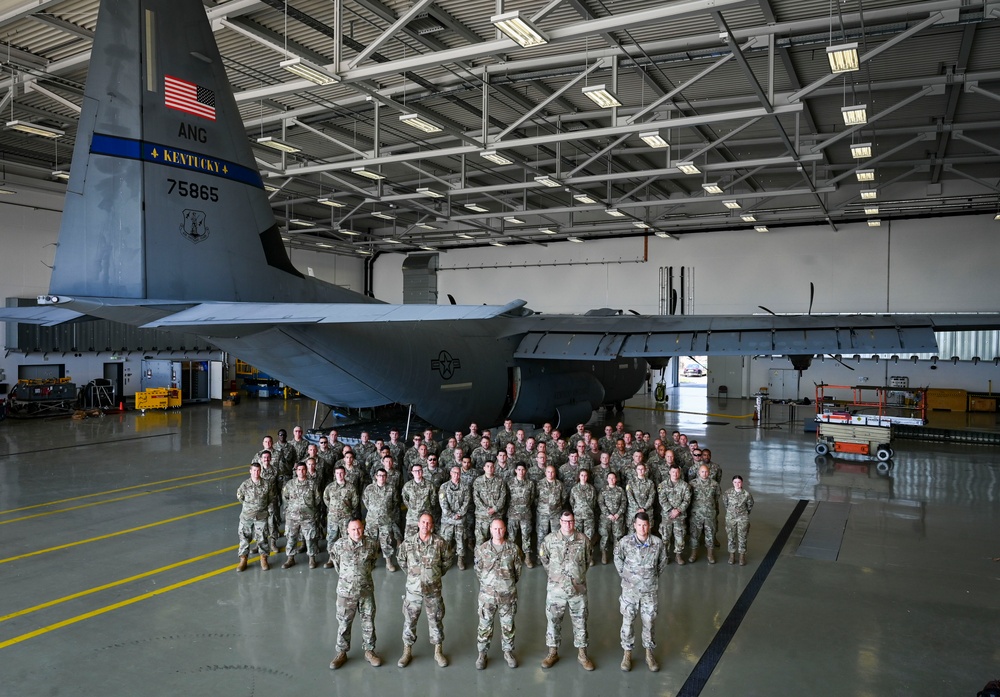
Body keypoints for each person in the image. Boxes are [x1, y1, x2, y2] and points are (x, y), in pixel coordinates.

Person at [538, 510, 594, 671]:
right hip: (556, 590)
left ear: (574, 522)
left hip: (578, 589)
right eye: (565, 521)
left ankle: (582, 654)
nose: (568, 524)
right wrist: (555, 576)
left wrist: (577, 576)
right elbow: (544, 559)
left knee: (580, 621)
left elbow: (587, 559)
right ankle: (552, 652)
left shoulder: (583, 540)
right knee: (553, 621)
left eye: (570, 521)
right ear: (560, 522)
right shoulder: (549, 540)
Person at [397, 512, 454, 668]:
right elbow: (401, 560)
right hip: (413, 591)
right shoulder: (408, 543)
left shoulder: (440, 543)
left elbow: (448, 560)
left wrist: (435, 574)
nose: (425, 525)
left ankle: (438, 652)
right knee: (410, 620)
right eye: (423, 522)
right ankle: (407, 651)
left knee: (436, 620)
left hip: (433, 590)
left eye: (428, 523)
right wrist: (413, 576)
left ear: (432, 525)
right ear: (418, 523)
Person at [614, 512, 668, 672]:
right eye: (639, 525)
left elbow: (663, 562)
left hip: (649, 592)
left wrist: (651, 577)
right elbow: (618, 558)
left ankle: (649, 653)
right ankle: (627, 653)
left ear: (649, 525)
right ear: (634, 525)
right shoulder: (625, 542)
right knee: (628, 622)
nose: (642, 528)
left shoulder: (657, 543)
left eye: (645, 525)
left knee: (649, 622)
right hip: (629, 591)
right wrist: (626, 576)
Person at [329, 519, 383, 669]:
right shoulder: (339, 545)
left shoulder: (371, 544)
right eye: (353, 530)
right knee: (344, 623)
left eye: (359, 529)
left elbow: (372, 562)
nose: (356, 532)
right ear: (347, 530)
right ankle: (341, 652)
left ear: (363, 528)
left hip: (366, 591)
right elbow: (337, 564)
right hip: (346, 592)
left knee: (368, 622)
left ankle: (370, 651)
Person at [473, 518, 524, 669]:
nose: (498, 532)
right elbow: (478, 570)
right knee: (484, 625)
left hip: (507, 596)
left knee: (508, 626)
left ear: (505, 529)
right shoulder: (482, 549)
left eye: (501, 529)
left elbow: (517, 571)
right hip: (487, 597)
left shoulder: (513, 549)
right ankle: (482, 654)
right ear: (490, 530)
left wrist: (506, 585)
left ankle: (508, 652)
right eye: (495, 529)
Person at [281, 462, 322, 569]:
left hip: (308, 517)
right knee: (291, 537)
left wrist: (309, 509)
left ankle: (312, 558)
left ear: (306, 471)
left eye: (303, 469)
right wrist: (291, 509)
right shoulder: (290, 484)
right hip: (292, 517)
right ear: (296, 471)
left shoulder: (312, 484)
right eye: (299, 470)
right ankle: (290, 558)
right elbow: (285, 498)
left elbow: (317, 499)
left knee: (310, 538)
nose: (301, 472)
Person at [236, 462, 271, 571]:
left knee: (262, 538)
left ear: (261, 471)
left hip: (261, 516)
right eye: (254, 470)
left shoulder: (266, 484)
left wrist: (260, 507)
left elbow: (270, 498)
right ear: (250, 471)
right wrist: (250, 508)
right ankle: (243, 559)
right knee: (244, 538)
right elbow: (240, 497)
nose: (256, 473)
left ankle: (263, 558)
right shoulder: (245, 485)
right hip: (247, 517)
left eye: (258, 470)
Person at [363, 468, 400, 572]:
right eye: (380, 475)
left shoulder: (391, 489)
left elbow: (395, 502)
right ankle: (370, 561)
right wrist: (374, 511)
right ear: (376, 476)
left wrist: (387, 513)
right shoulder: (369, 488)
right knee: (370, 541)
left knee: (386, 541)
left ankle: (388, 562)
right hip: (372, 520)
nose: (382, 477)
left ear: (386, 477)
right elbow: (365, 501)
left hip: (386, 520)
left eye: (384, 475)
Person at [323, 465, 360, 568]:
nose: (339, 475)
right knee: (332, 537)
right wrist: (333, 509)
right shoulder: (330, 487)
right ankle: (332, 558)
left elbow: (355, 502)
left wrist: (347, 510)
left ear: (345, 474)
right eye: (337, 473)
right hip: (333, 518)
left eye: (341, 473)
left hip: (346, 518)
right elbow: (326, 499)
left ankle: (346, 557)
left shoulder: (351, 487)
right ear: (335, 474)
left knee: (347, 538)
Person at [657, 464, 692, 565]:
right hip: (666, 516)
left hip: (680, 516)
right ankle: (665, 555)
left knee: (680, 537)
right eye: (673, 472)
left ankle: (678, 555)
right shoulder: (663, 485)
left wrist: (678, 510)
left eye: (677, 472)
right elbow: (662, 500)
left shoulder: (685, 486)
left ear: (679, 473)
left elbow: (687, 499)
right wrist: (671, 510)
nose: (675, 474)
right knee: (665, 537)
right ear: (669, 472)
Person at [438, 465, 472, 570]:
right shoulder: (444, 487)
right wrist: (452, 515)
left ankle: (460, 560)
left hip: (460, 519)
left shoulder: (465, 487)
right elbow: (443, 503)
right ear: (450, 473)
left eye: (458, 473)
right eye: (454, 473)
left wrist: (459, 514)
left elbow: (466, 502)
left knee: (461, 540)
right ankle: (446, 559)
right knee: (446, 540)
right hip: (447, 520)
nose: (456, 475)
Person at [688, 464, 721, 564]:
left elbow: (717, 497)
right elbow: (688, 497)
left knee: (710, 534)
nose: (704, 474)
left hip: (709, 514)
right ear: (698, 472)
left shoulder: (714, 484)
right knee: (695, 534)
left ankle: (710, 554)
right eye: (702, 471)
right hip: (696, 514)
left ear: (709, 472)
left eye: (706, 472)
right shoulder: (692, 484)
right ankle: (693, 554)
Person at [505, 462, 536, 567]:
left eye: (523, 470)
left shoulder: (530, 484)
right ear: (515, 471)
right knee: (512, 537)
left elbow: (531, 498)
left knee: (526, 537)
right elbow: (507, 498)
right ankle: (512, 557)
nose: (521, 472)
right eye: (519, 470)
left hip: (526, 515)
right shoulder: (509, 483)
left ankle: (527, 557)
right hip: (513, 514)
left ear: (525, 471)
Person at [473, 461, 508, 544]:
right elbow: (476, 497)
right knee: (480, 540)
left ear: (494, 468)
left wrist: (495, 509)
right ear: (484, 468)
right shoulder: (478, 481)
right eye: (488, 466)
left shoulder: (500, 481)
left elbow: (503, 497)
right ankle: (478, 557)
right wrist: (487, 509)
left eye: (492, 466)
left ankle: (496, 557)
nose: (490, 468)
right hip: (482, 516)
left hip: (496, 516)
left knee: (497, 540)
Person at [722, 475, 754, 565]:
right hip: (730, 518)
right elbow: (725, 503)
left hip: (742, 518)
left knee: (742, 537)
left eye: (739, 482)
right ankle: (732, 556)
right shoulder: (727, 493)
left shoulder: (746, 494)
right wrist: (731, 513)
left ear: (742, 483)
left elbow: (750, 505)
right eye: (735, 482)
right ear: (732, 483)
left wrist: (744, 514)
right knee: (731, 537)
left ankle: (741, 557)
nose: (737, 484)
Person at [598, 470, 627, 564]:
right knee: (605, 535)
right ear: (607, 479)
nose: (611, 480)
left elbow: (624, 502)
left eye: (613, 478)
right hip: (606, 518)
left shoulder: (620, 490)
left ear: (616, 479)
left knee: (617, 536)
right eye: (610, 478)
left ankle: (617, 554)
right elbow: (600, 503)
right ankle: (604, 554)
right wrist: (608, 514)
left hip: (618, 517)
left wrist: (618, 513)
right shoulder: (603, 490)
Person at [569, 469, 597, 565]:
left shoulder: (591, 489)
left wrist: (588, 510)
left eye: (585, 475)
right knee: (577, 537)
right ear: (579, 476)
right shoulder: (574, 489)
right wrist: (577, 510)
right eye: (582, 475)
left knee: (588, 537)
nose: (583, 477)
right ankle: (577, 556)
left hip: (589, 516)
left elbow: (593, 502)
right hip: (577, 516)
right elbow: (572, 502)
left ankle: (588, 557)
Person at [401, 463, 437, 539]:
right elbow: (405, 499)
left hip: (426, 517)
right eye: (415, 471)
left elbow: (433, 500)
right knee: (409, 540)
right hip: (412, 517)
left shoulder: (430, 485)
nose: (418, 472)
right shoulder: (407, 486)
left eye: (420, 470)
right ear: (412, 472)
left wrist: (427, 509)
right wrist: (413, 509)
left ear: (422, 471)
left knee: (427, 538)